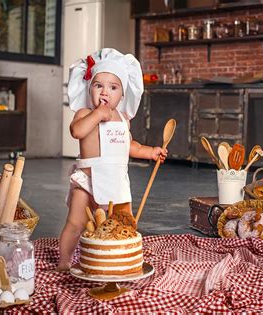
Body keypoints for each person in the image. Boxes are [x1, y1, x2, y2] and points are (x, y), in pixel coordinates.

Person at [57, 48, 167, 271]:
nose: (105, 92)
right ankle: (64, 260)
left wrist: (150, 152)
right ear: (90, 89)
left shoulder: (123, 120)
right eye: (98, 85)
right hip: (87, 182)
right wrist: (97, 115)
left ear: (122, 94)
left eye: (113, 87)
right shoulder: (84, 113)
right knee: (75, 223)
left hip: (116, 181)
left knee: (123, 224)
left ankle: (117, 257)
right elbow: (77, 131)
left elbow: (130, 146)